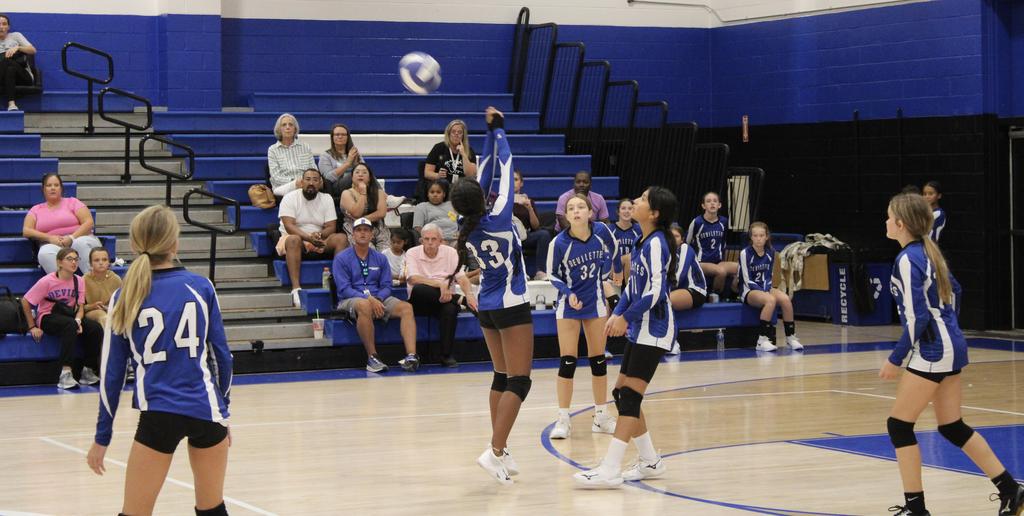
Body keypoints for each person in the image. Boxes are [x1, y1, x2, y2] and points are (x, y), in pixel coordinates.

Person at [85, 205, 232, 516]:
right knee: (213, 510)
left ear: (135, 244)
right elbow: (223, 357)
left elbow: (112, 374)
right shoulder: (201, 286)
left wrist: (102, 436)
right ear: (174, 244)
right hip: (206, 411)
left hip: (158, 414)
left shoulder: (124, 296)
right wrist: (223, 411)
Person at [881, 193, 1023, 516]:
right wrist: (950, 326)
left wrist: (895, 358)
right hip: (950, 345)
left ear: (901, 224)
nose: (886, 222)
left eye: (889, 216)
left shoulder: (908, 259)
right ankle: (1011, 490)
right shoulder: (928, 252)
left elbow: (918, 317)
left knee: (899, 426)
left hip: (934, 348)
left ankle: (916, 509)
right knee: (951, 426)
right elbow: (956, 291)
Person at [574, 186, 678, 488]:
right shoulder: (640, 240)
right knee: (622, 394)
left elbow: (655, 292)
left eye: (643, 200)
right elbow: (632, 288)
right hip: (639, 326)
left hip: (655, 328)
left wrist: (625, 317)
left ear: (654, 213)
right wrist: (617, 312)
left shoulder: (658, 243)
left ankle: (610, 468)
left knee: (631, 396)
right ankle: (650, 461)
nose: (635, 201)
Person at [450, 107, 532, 485]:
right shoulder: (498, 215)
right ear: (481, 197)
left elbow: (484, 171)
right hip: (512, 304)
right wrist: (499, 130)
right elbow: (504, 164)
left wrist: (487, 132)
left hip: (487, 305)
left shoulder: (467, 224)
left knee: (501, 375)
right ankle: (495, 450)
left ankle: (500, 447)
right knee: (520, 380)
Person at [546, 194, 619, 440]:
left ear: (590, 212)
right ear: (566, 216)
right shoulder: (558, 243)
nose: (576, 211)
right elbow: (552, 275)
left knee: (598, 360)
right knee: (568, 361)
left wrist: (613, 271)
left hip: (595, 301)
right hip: (569, 305)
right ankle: (563, 419)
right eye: (571, 208)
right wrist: (568, 294)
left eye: (580, 207)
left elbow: (614, 249)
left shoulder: (602, 232)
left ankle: (601, 416)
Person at [334, 217, 420, 373]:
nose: (362, 233)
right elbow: (344, 288)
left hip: (379, 297)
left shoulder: (380, 258)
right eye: (359, 230)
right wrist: (369, 299)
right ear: (353, 234)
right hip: (350, 299)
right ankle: (372, 357)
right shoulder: (341, 258)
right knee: (364, 305)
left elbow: (387, 285)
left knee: (406, 308)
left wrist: (378, 298)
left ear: (372, 234)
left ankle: (412, 356)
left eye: (366, 230)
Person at [21, 247, 102, 390]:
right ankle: (65, 373)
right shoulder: (47, 281)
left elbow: (80, 307)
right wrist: (32, 326)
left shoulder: (79, 280)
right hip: (47, 317)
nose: (74, 262)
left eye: (76, 259)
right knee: (70, 325)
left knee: (95, 328)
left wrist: (78, 320)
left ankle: (87, 370)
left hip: (69, 316)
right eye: (69, 259)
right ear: (59, 262)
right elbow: (25, 301)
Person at [405, 223, 477, 367]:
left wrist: (469, 295)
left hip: (445, 300)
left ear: (441, 241)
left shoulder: (450, 252)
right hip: (421, 301)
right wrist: (440, 285)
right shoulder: (412, 252)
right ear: (421, 240)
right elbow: (413, 278)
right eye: (426, 239)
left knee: (450, 309)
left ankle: (446, 355)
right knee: (419, 289)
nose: (430, 243)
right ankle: (459, 299)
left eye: (434, 239)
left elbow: (462, 278)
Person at [277, 169, 348, 308]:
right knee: (293, 239)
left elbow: (331, 227)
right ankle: (296, 289)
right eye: (308, 179)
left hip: (318, 238)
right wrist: (308, 238)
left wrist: (319, 235)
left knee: (341, 238)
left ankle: (339, 284)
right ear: (301, 182)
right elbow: (289, 226)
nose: (311, 183)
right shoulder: (290, 197)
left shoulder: (326, 198)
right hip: (295, 238)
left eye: (315, 180)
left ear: (320, 183)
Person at [737, 222, 802, 352]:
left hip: (765, 287)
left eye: (761, 235)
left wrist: (766, 289)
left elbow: (769, 276)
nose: (758, 238)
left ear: (767, 237)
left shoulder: (771, 252)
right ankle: (762, 341)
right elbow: (746, 279)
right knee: (770, 300)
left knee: (785, 299)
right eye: (755, 235)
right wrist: (763, 292)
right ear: (751, 237)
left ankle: (790, 337)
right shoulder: (745, 253)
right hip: (749, 290)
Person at [22, 173, 103, 274]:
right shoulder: (36, 209)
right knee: (44, 253)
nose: (53, 188)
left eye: (56, 185)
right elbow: (26, 230)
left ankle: (92, 280)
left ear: (61, 188)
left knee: (79, 243)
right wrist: (49, 238)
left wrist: (71, 238)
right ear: (43, 189)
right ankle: (65, 282)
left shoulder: (73, 202)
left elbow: (89, 222)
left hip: (79, 238)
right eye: (49, 185)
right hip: (54, 243)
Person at [685, 191, 738, 298]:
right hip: (701, 262)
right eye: (708, 201)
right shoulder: (697, 222)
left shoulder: (724, 222)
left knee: (743, 268)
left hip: (718, 262)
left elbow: (723, 242)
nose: (712, 203)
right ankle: (714, 296)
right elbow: (686, 243)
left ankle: (734, 294)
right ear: (703, 206)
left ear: (719, 205)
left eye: (715, 201)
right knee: (721, 272)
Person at [668, 223, 708, 355]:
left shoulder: (685, 248)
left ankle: (673, 342)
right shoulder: (666, 252)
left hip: (696, 290)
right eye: (670, 236)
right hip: (680, 291)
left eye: (676, 236)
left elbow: (679, 277)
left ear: (682, 239)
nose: (673, 239)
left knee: (665, 301)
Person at [341, 163, 391, 251]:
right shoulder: (346, 193)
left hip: (378, 227)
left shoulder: (379, 192)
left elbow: (381, 213)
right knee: (369, 251)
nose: (360, 174)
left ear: (369, 178)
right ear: (352, 177)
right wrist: (363, 192)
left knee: (385, 253)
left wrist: (362, 219)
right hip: (355, 228)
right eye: (357, 172)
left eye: (364, 172)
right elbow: (356, 213)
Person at [513, 169, 553, 280]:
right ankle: (518, 272)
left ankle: (540, 271)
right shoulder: (502, 200)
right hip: (509, 236)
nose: (513, 182)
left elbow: (535, 226)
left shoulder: (528, 201)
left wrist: (529, 208)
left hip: (525, 236)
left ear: (521, 183)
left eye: (515, 179)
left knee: (543, 234)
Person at [268, 113, 316, 197]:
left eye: (290, 124)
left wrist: (306, 181)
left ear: (295, 129)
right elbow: (275, 177)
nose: (287, 127)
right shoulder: (273, 150)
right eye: (284, 125)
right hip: (284, 186)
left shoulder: (305, 147)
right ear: (279, 129)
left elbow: (314, 169)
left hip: (305, 184)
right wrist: (294, 182)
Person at [423, 119, 477, 183]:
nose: (456, 134)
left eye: (459, 132)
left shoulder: (469, 150)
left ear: (463, 136)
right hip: (443, 186)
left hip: (462, 186)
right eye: (453, 132)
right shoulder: (439, 148)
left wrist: (463, 154)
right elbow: (427, 173)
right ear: (448, 134)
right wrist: (437, 175)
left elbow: (471, 175)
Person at [0, 14, 35, 112]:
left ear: (8, 27)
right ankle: (12, 104)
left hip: (23, 76)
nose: (1, 27)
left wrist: (18, 48)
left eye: (4, 24)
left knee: (7, 61)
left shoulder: (15, 36)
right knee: (9, 69)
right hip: (4, 77)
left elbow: (32, 50)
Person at [317, 123, 362, 196]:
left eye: (343, 134)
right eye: (337, 134)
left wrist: (356, 163)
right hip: (335, 187)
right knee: (357, 175)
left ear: (347, 137)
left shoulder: (353, 152)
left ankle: (381, 195)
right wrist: (347, 163)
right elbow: (328, 178)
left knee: (366, 174)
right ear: (332, 137)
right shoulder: (325, 156)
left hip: (355, 184)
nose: (340, 137)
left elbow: (364, 169)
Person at [83, 247, 120, 328]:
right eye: (96, 260)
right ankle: (107, 336)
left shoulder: (116, 279)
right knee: (103, 316)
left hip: (112, 310)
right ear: (90, 263)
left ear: (109, 262)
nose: (101, 263)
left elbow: (122, 301)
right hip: (93, 311)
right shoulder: (84, 280)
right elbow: (79, 307)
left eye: (104, 260)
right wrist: (92, 306)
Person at [413, 180, 459, 244]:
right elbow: (417, 228)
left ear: (444, 194)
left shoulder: (452, 205)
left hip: (456, 239)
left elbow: (461, 222)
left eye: (438, 192)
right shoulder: (421, 206)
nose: (435, 195)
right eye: (432, 192)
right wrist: (433, 239)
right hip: (434, 241)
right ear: (428, 194)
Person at [610, 198, 642, 285]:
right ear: (618, 212)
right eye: (623, 208)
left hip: (633, 268)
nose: (627, 211)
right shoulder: (610, 229)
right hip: (613, 268)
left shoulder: (639, 229)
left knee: (630, 257)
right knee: (627, 258)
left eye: (630, 208)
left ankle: (630, 288)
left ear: (633, 211)